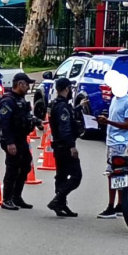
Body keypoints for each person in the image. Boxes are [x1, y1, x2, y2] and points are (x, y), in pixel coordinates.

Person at [96, 71, 128, 218]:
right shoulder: (115, 99)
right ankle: (119, 205)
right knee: (115, 174)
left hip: (119, 143)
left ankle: (111, 206)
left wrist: (108, 122)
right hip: (111, 140)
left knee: (113, 174)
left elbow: (127, 124)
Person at [0, 72, 37, 210]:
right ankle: (7, 199)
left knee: (26, 166)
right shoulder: (8, 100)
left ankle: (16, 197)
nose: (28, 88)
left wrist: (35, 121)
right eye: (26, 85)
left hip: (21, 138)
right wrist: (9, 142)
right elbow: (4, 123)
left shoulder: (21, 100)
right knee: (12, 169)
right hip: (12, 140)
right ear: (19, 84)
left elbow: (26, 117)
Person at [46, 76, 82, 217]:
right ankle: (58, 199)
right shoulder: (62, 107)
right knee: (76, 176)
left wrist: (78, 108)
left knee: (61, 175)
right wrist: (72, 146)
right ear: (66, 89)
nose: (72, 91)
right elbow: (65, 127)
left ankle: (61, 204)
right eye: (70, 88)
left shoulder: (55, 104)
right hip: (65, 146)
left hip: (58, 145)